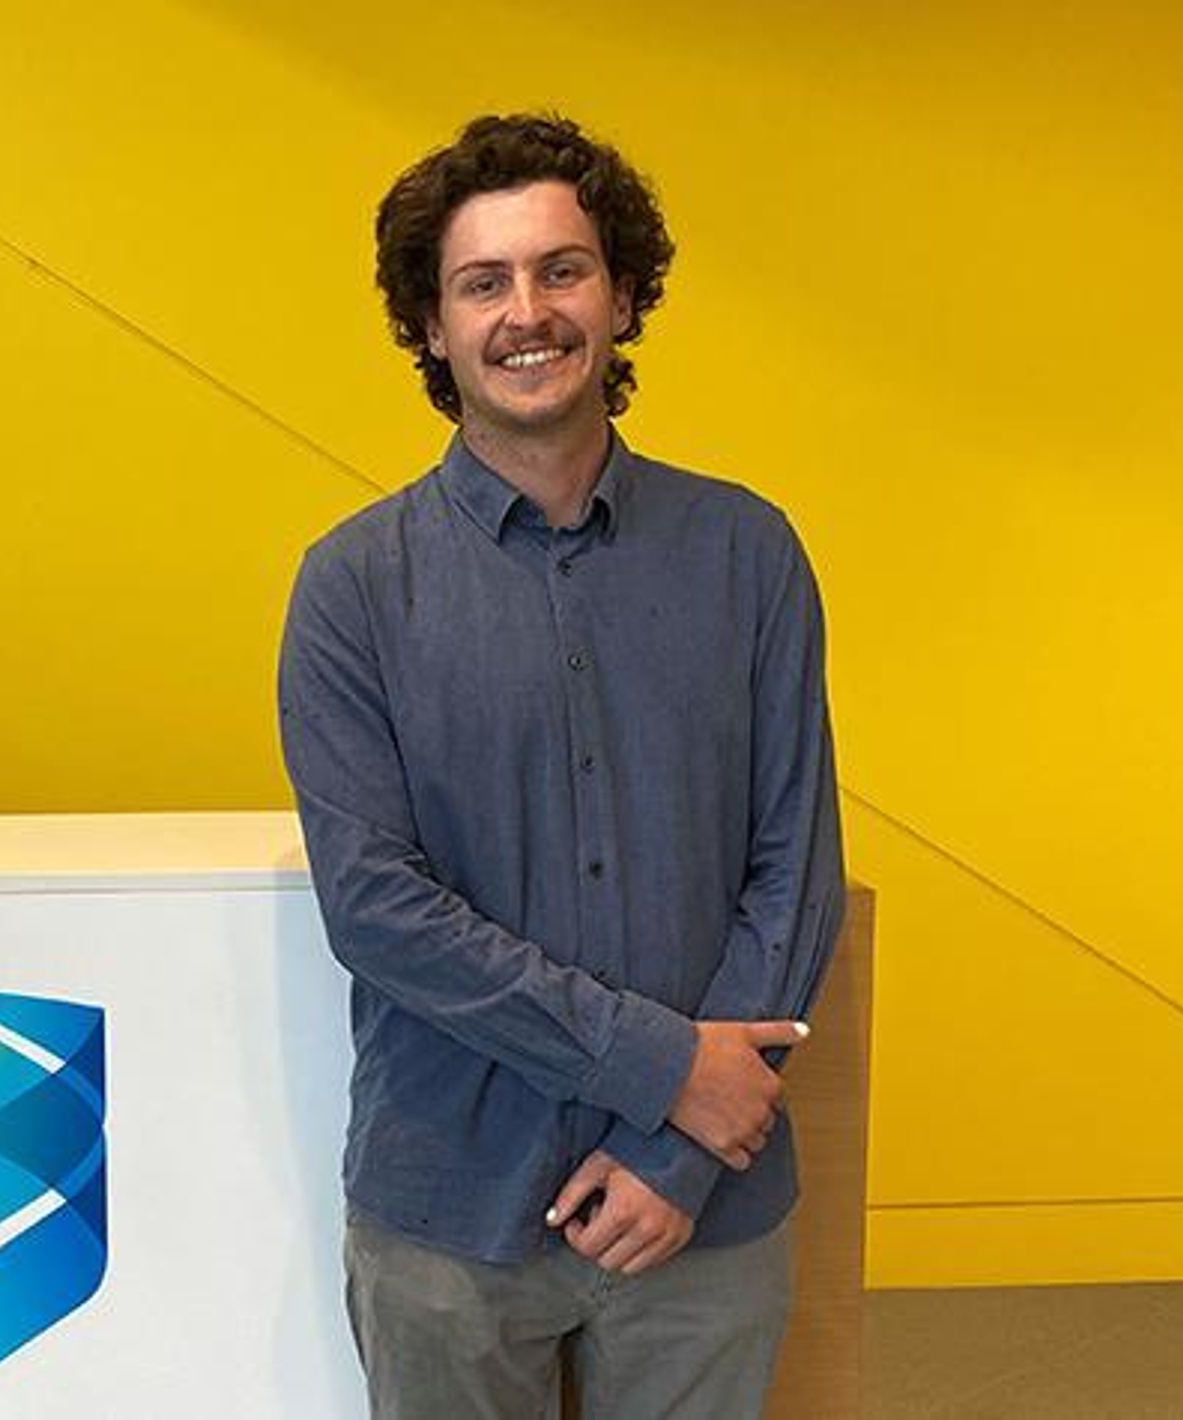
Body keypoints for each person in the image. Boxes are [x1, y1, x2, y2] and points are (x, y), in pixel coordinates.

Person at [277, 113, 845, 1420]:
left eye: (562, 270)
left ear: (625, 293)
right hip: (448, 1214)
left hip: (708, 1207)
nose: (525, 312)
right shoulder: (352, 588)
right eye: (482, 283)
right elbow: (379, 910)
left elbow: (793, 872)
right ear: (429, 326)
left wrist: (682, 1145)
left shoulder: (748, 553)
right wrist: (667, 1070)